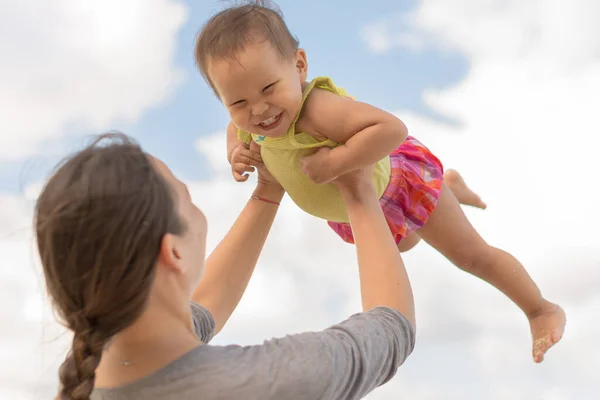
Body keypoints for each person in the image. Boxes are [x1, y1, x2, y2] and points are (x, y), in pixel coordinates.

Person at [193, 0, 565, 363]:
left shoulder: (318, 110)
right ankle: (448, 185)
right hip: (361, 211)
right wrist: (235, 154)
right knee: (404, 247)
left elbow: (391, 128)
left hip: (400, 186)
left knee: (471, 256)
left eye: (269, 88)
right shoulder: (250, 123)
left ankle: (539, 309)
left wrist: (337, 160)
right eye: (238, 102)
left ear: (299, 66)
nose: (258, 109)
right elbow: (235, 130)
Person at [37, 133, 416, 400]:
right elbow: (392, 328)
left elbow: (198, 309)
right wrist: (360, 191)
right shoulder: (264, 383)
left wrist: (268, 190)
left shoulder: (99, 375)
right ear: (174, 251)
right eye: (187, 198)